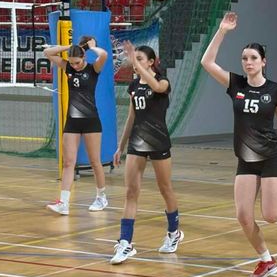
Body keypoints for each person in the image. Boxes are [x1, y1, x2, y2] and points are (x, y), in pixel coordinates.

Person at [201, 12, 277, 277]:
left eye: (253, 58)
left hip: (271, 157)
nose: (248, 62)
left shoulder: (275, 89)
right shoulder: (236, 84)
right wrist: (222, 30)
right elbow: (206, 62)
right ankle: (266, 260)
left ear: (263, 62)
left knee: (271, 216)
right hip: (246, 158)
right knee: (243, 216)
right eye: (244, 58)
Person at [110, 41, 182, 265]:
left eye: (140, 59)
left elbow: (157, 87)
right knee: (131, 192)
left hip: (158, 141)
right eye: (134, 59)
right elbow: (132, 117)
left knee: (165, 188)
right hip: (137, 143)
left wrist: (137, 64)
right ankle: (125, 243)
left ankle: (174, 233)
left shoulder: (162, 81)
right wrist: (121, 146)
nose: (135, 63)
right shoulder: (134, 86)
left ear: (151, 62)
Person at [44, 36, 109, 215]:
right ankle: (63, 203)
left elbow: (104, 55)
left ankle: (101, 197)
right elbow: (47, 52)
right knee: (68, 163)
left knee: (95, 162)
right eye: (72, 63)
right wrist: (69, 47)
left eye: (77, 62)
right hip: (72, 121)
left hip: (91, 120)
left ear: (84, 57)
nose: (75, 66)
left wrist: (92, 47)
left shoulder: (93, 68)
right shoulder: (68, 68)